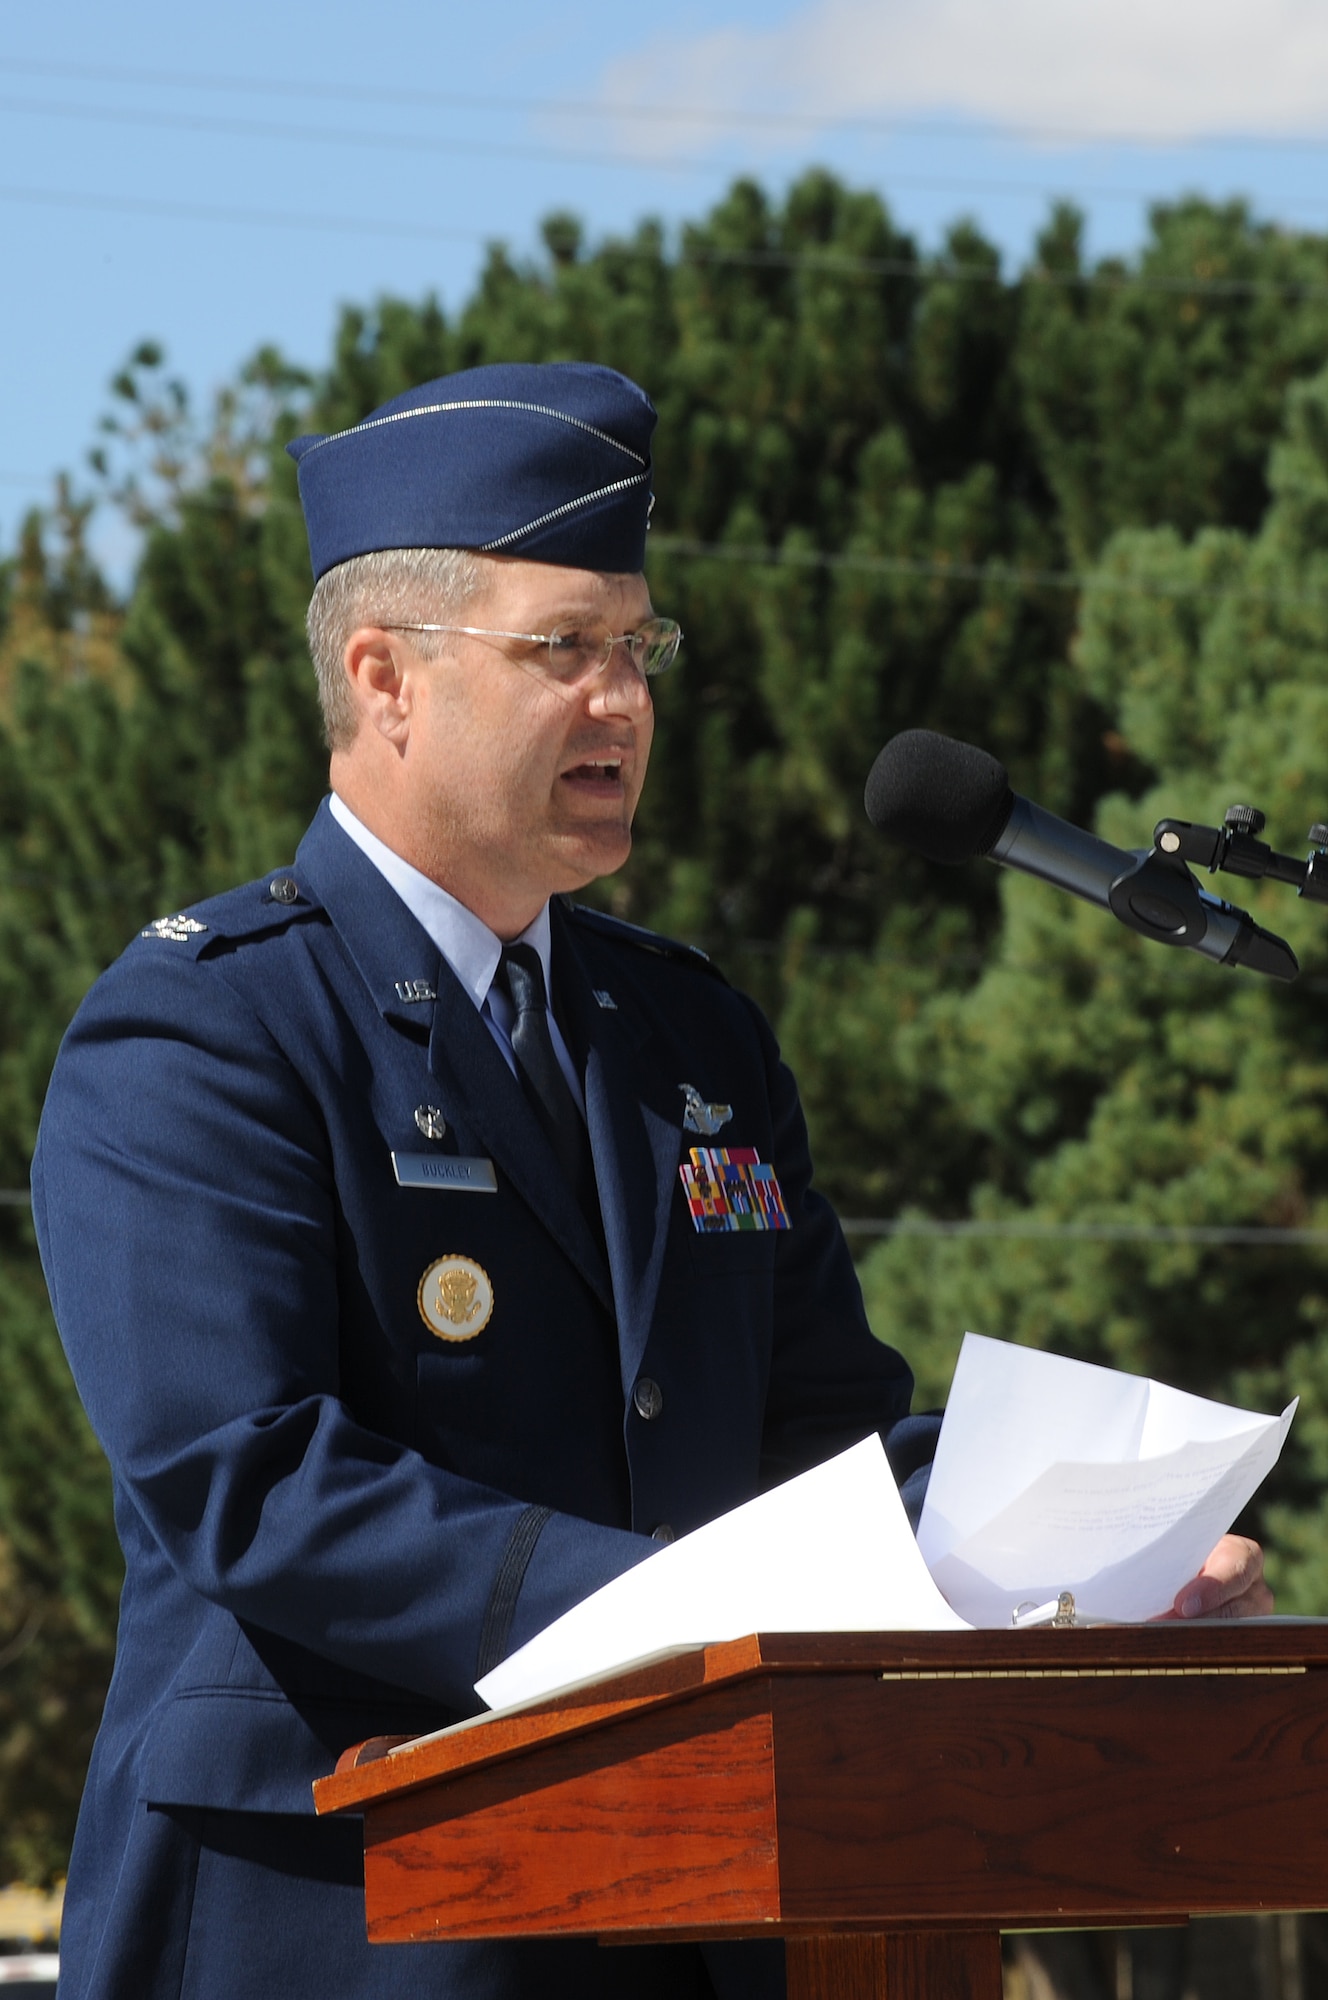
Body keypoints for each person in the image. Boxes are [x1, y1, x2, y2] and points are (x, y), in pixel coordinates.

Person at [31, 361, 1270, 2000]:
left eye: (639, 648)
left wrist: (1067, 1567)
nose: (622, 701)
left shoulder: (684, 1030)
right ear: (383, 675)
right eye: (563, 651)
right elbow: (249, 1484)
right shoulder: (209, 1025)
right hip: (344, 1903)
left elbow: (815, 1442)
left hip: (710, 1902)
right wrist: (686, 1614)